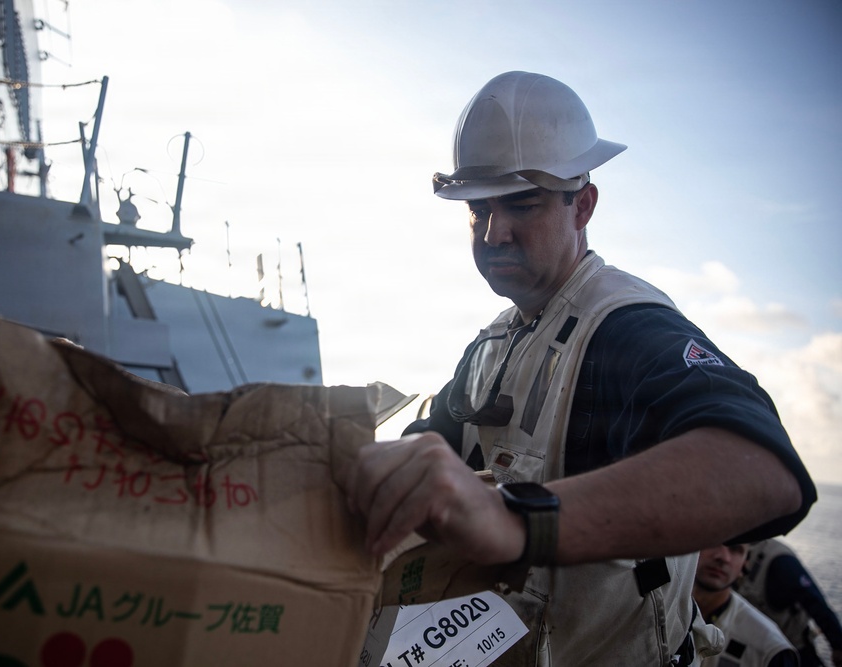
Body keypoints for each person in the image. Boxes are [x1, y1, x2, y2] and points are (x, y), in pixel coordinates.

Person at [343, 71, 818, 665]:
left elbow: (765, 473)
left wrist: (517, 521)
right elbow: (423, 455)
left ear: (583, 204)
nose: (495, 231)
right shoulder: (496, 341)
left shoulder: (626, 327)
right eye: (477, 209)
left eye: (522, 203)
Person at [737, 538, 842, 666]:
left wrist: (837, 643)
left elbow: (815, 601)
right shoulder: (730, 551)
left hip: (791, 649)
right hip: (753, 650)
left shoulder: (780, 560)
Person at [694, 543, 799, 666]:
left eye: (735, 549)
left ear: (745, 563)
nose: (723, 557)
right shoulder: (667, 613)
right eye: (714, 542)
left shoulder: (769, 649)